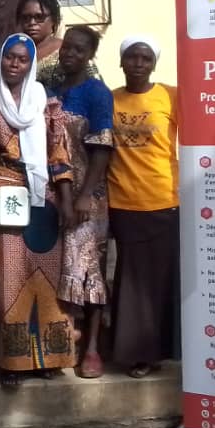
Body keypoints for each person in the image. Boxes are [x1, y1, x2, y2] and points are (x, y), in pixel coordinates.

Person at [0, 33, 75, 389]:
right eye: (10, 57)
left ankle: (51, 357)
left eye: (22, 59)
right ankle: (13, 362)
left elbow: (59, 152)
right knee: (10, 279)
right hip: (4, 191)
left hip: (44, 197)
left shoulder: (45, 102)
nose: (15, 64)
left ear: (31, 63)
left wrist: (65, 199)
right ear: (1, 59)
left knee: (48, 276)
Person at [107, 35, 179, 378]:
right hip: (123, 202)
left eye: (145, 58)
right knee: (131, 282)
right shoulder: (110, 99)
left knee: (160, 282)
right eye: (132, 57)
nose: (138, 63)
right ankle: (135, 352)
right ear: (121, 62)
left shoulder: (170, 95)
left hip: (164, 201)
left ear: (154, 64)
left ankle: (159, 352)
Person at [46, 26, 114, 379]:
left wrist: (86, 194)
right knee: (62, 270)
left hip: (89, 195)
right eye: (67, 47)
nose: (69, 54)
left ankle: (91, 348)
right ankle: (63, 342)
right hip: (57, 193)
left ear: (89, 56)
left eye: (79, 49)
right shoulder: (52, 91)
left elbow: (102, 148)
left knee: (89, 271)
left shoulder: (96, 93)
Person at [16, 0, 65, 85]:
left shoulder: (66, 50)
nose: (32, 22)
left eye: (39, 17)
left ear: (53, 20)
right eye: (26, 17)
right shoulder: (12, 52)